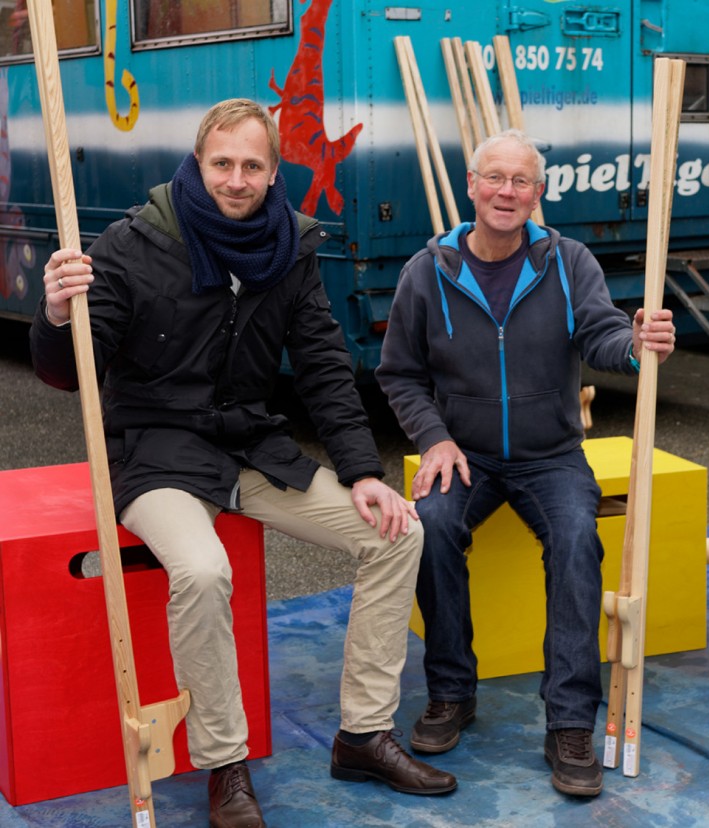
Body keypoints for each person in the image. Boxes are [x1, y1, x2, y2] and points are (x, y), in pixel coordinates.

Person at [29, 98, 456, 827]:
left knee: (398, 533)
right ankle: (226, 766)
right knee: (201, 571)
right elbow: (72, 374)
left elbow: (323, 366)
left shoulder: (289, 245)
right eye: (221, 163)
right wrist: (59, 315)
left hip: (248, 446)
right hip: (156, 451)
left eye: (252, 165)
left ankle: (363, 734)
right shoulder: (134, 244)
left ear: (272, 171)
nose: (236, 179)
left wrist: (362, 474)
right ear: (199, 163)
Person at [375, 128, 676, 798]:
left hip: (550, 456)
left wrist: (634, 343)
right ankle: (451, 690)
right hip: (466, 452)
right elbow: (398, 374)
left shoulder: (568, 262)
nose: (506, 192)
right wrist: (435, 438)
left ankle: (570, 721)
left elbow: (599, 333)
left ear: (538, 194)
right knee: (430, 528)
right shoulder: (428, 271)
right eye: (495, 178)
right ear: (472, 185)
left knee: (577, 541)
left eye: (521, 182)